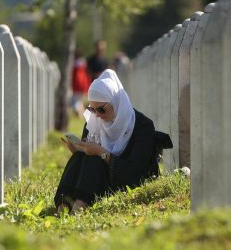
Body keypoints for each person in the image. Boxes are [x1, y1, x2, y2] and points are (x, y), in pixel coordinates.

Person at [55, 69, 160, 213]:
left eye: (101, 110)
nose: (97, 115)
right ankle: (63, 204)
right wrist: (78, 150)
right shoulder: (93, 123)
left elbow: (135, 173)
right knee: (81, 156)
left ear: (115, 102)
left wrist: (102, 153)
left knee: (94, 159)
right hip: (100, 179)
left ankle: (80, 204)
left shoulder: (142, 126)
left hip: (130, 180)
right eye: (92, 109)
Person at [71, 50, 91, 117]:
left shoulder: (74, 65)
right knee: (79, 101)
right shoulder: (84, 64)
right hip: (83, 84)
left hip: (77, 85)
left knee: (75, 102)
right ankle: (82, 114)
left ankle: (81, 114)